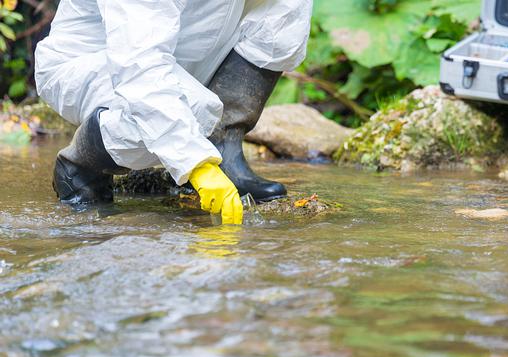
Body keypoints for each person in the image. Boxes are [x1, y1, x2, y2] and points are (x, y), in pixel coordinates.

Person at [34, 0, 313, 225]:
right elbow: (140, 69)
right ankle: (81, 166)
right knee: (193, 110)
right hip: (96, 62)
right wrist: (196, 164)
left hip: (184, 59)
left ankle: (224, 147)